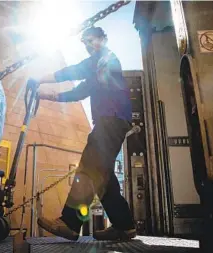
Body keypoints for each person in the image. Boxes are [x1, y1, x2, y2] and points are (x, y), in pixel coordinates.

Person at [30, 26, 136, 241]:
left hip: (111, 119)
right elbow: (80, 91)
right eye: (86, 42)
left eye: (93, 40)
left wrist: (42, 78)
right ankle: (124, 226)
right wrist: (50, 95)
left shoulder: (105, 58)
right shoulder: (98, 69)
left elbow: (76, 71)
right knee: (103, 175)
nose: (89, 45)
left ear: (103, 39)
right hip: (112, 121)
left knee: (88, 168)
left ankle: (70, 223)